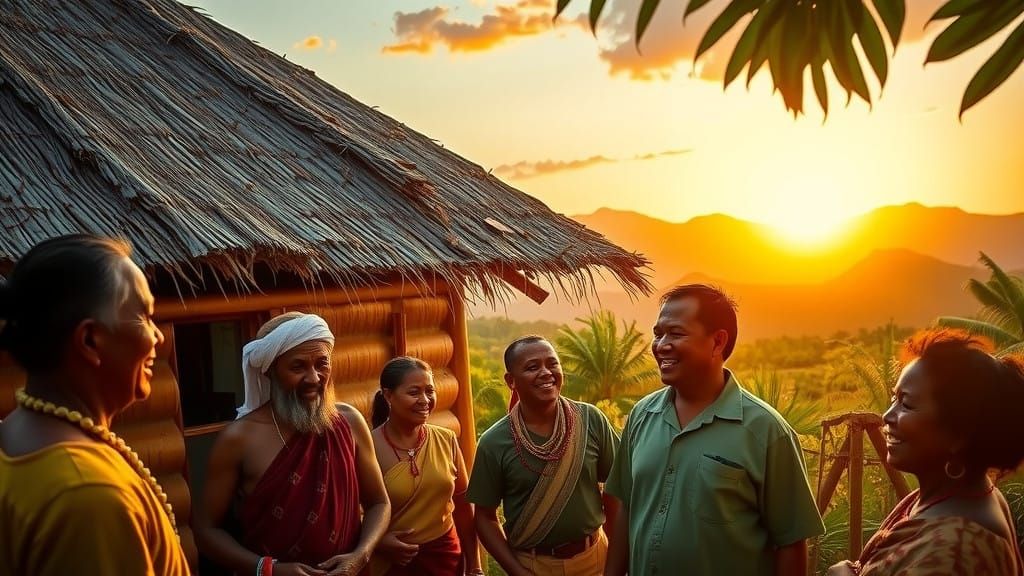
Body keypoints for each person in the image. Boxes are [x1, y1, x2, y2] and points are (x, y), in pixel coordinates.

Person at [0, 234, 190, 575]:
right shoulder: (89, 495)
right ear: (90, 340)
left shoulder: (15, 437)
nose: (158, 337)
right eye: (145, 317)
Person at [604, 284, 824, 576]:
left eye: (677, 333)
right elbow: (628, 509)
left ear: (718, 342)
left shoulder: (766, 431)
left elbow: (791, 544)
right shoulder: (641, 416)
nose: (661, 345)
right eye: (658, 334)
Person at [195, 311, 390, 576]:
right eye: (298, 367)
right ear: (271, 372)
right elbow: (207, 531)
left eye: (322, 364)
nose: (313, 378)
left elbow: (379, 503)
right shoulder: (239, 438)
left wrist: (361, 555)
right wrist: (270, 570)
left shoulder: (350, 422)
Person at [828, 329, 1024, 576]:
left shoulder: (955, 553)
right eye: (893, 398)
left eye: (907, 404)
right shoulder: (950, 496)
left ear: (959, 433)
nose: (887, 416)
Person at [467, 335, 619, 576]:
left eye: (552, 364)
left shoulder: (590, 420)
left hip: (595, 560)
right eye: (532, 367)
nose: (546, 372)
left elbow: (616, 493)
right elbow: (485, 518)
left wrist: (617, 562)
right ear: (511, 381)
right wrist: (517, 571)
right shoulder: (494, 443)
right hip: (533, 565)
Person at [367, 356, 483, 576]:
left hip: (446, 559)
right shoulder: (368, 448)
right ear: (388, 395)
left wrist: (475, 566)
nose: (425, 400)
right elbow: (352, 514)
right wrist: (379, 541)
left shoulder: (446, 440)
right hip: (392, 565)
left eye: (429, 391)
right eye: (414, 392)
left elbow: (463, 506)